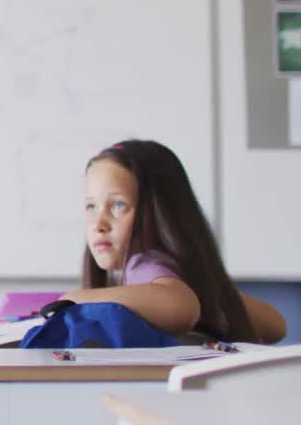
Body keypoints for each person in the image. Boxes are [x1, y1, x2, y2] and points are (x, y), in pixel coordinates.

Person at [61, 139, 286, 343]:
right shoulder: (172, 272)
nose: (98, 224)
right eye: (91, 207)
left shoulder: (145, 264)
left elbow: (179, 306)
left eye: (118, 205)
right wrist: (213, 299)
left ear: (160, 211)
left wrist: (75, 299)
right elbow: (276, 324)